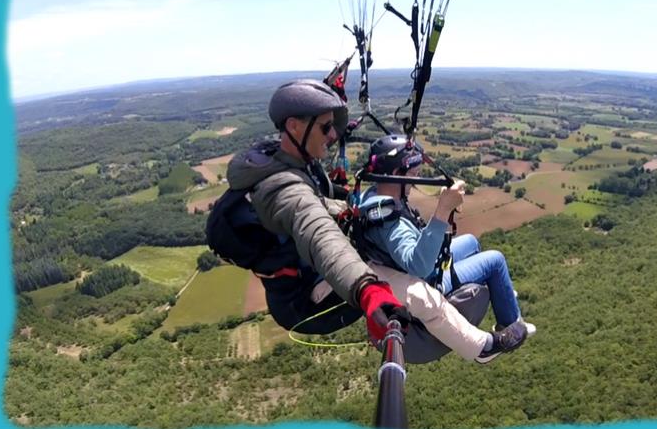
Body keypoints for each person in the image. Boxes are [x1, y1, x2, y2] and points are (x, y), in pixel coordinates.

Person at [225, 79, 405, 342]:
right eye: (326, 127)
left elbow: (319, 191)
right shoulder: (283, 189)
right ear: (294, 127)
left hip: (305, 281)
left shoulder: (289, 158)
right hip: (305, 302)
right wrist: (368, 289)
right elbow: (318, 231)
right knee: (391, 264)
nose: (333, 135)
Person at [356, 134, 536, 343]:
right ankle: (511, 322)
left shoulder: (374, 198)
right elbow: (419, 265)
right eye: (414, 174)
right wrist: (443, 209)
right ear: (397, 174)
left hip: (413, 262)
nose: (414, 182)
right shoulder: (390, 220)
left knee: (471, 241)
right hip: (427, 278)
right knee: (495, 261)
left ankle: (501, 293)